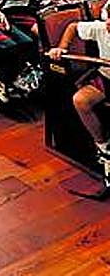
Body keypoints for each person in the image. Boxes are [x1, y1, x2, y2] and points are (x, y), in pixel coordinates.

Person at [47, 12, 110, 192]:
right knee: (81, 100)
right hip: (106, 77)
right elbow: (73, 26)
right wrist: (62, 47)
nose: (109, 25)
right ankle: (103, 147)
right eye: (109, 20)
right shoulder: (100, 28)